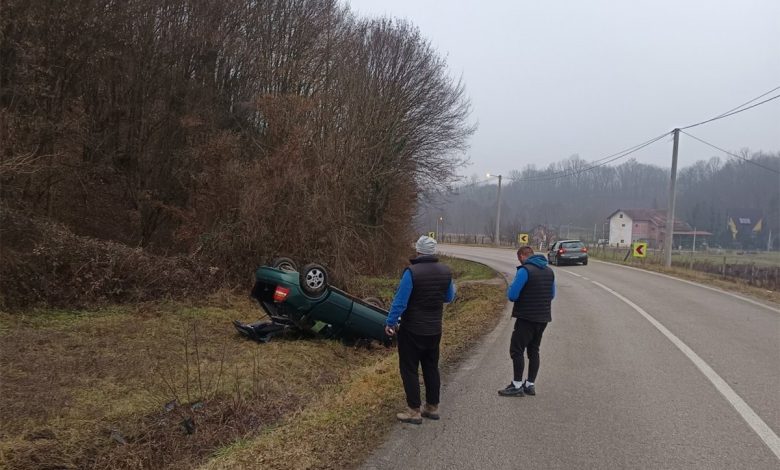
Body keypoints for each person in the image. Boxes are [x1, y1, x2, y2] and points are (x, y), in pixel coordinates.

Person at [385, 235, 456, 424]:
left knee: (409, 369)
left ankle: (414, 410)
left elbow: (400, 302)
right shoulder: (445, 271)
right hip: (434, 329)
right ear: (434, 252)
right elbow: (449, 297)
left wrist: (390, 323)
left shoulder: (412, 272)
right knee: (431, 367)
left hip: (412, 330)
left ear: (418, 251)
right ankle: (432, 407)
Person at [498, 245, 556, 397]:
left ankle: (517, 385)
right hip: (543, 317)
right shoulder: (549, 271)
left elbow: (513, 295)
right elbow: (552, 294)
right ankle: (530, 384)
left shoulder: (525, 271)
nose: (520, 261)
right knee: (534, 350)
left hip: (526, 318)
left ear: (522, 256)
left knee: (516, 350)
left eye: (519, 259)